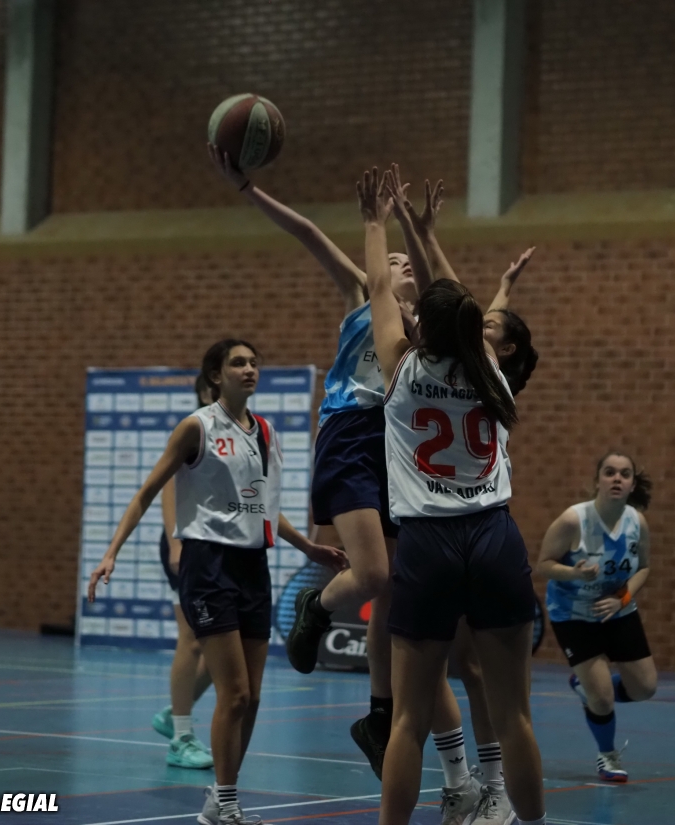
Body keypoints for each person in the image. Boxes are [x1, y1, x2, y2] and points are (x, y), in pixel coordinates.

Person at [206, 144, 432, 773]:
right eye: (390, 257)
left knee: (393, 588)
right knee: (375, 575)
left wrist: (420, 232)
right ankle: (316, 605)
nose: (397, 263)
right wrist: (246, 188)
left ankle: (380, 712)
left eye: (406, 260)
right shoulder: (363, 291)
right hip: (349, 433)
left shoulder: (424, 327)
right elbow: (306, 231)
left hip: (397, 446)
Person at [88, 339, 346, 825]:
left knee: (253, 696)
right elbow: (147, 492)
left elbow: (264, 508)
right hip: (208, 565)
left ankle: (221, 798)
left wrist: (308, 548)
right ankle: (223, 803)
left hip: (253, 567)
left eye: (254, 363)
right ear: (215, 375)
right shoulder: (197, 427)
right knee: (235, 692)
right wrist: (111, 552)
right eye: (238, 363)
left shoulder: (266, 432)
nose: (249, 369)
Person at [359, 167, 547, 825]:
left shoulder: (401, 367)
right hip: (494, 536)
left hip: (429, 541)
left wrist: (375, 222)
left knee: (408, 720)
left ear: (421, 326)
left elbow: (378, 286)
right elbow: (460, 298)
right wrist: (427, 232)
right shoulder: (491, 368)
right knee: (515, 714)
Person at [537, 450, 657, 783]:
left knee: (645, 688)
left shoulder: (637, 522)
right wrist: (574, 574)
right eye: (609, 472)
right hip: (574, 614)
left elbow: (644, 567)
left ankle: (586, 687)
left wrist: (622, 599)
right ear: (598, 481)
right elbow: (543, 564)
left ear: (632, 485)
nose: (617, 478)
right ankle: (608, 756)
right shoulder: (573, 520)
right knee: (602, 699)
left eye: (624, 474)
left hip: (618, 610)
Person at [151, 373, 216, 769]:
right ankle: (181, 736)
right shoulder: (194, 428)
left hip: (222, 548)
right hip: (187, 544)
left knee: (228, 645)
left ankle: (175, 711)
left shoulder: (245, 431)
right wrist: (176, 544)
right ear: (208, 389)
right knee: (191, 639)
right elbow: (169, 487)